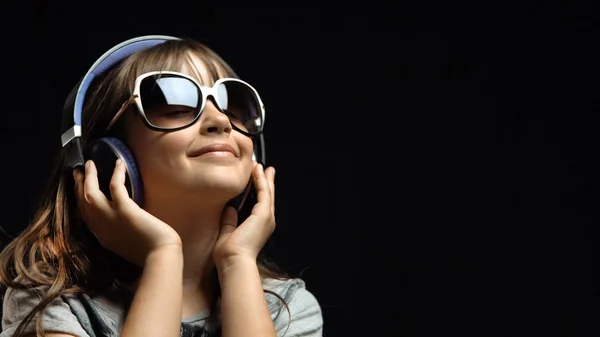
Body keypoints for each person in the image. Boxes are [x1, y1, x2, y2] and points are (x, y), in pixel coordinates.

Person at [0, 35, 323, 337]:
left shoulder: (289, 307)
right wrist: (163, 256)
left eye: (233, 107)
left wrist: (237, 261)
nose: (221, 121)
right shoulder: (52, 299)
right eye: (176, 105)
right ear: (106, 155)